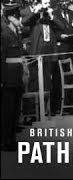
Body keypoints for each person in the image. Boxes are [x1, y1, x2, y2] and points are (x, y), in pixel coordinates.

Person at [1, 0, 25, 151]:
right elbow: (1, 58)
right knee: (7, 111)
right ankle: (5, 141)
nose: (20, 20)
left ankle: (11, 138)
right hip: (7, 78)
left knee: (15, 110)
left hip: (16, 77)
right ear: (10, 18)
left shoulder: (16, 33)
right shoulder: (4, 34)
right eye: (18, 17)